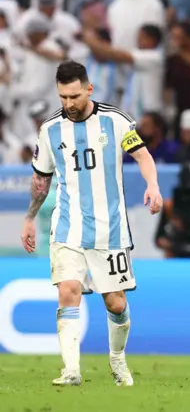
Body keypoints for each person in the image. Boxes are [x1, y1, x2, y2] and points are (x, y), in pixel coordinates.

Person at [21, 60, 163, 386]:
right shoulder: (50, 129)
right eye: (63, 98)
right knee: (68, 291)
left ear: (89, 89)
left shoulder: (115, 120)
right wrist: (30, 217)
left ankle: (117, 359)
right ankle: (71, 370)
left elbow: (142, 155)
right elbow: (41, 179)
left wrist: (152, 185)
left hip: (110, 230)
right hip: (68, 226)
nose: (69, 104)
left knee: (116, 303)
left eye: (74, 96)